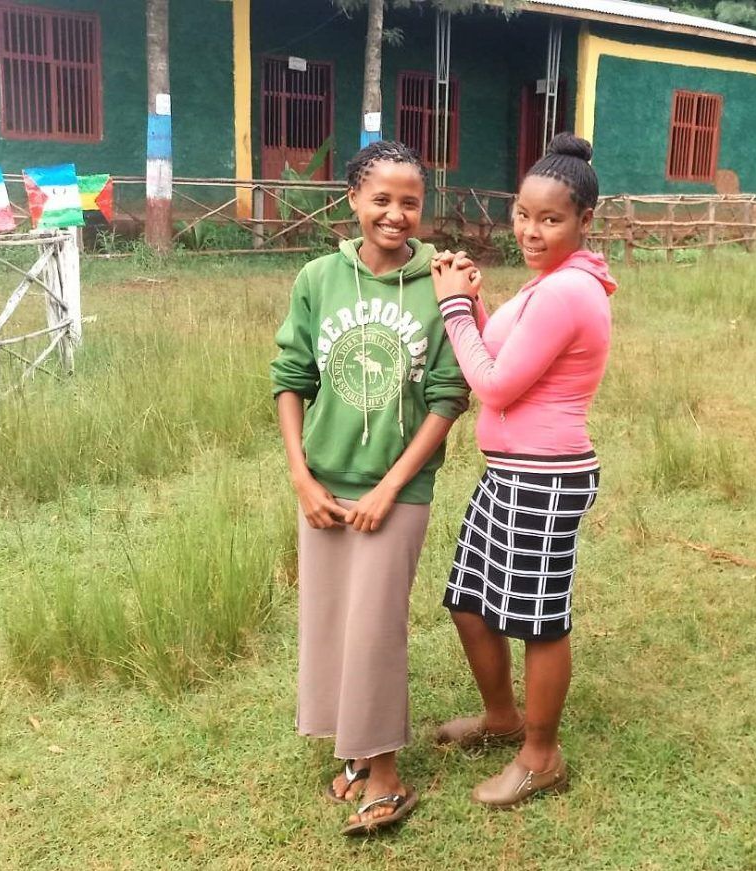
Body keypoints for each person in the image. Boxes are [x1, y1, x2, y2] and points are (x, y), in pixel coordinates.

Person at [271, 140, 468, 836]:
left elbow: (449, 395)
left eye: (410, 201)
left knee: (375, 625)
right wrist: (301, 473)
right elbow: (291, 378)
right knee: (329, 619)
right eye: (380, 198)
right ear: (352, 199)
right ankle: (354, 752)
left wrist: (390, 486)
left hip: (399, 488)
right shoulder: (318, 278)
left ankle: (386, 772)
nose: (395, 213)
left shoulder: (442, 280)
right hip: (324, 481)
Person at [430, 132, 616, 808]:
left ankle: (541, 755)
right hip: (510, 473)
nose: (531, 231)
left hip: (544, 477)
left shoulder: (569, 293)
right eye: (522, 214)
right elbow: (497, 346)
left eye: (550, 219)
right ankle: (501, 718)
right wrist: (475, 301)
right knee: (471, 604)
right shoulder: (548, 286)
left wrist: (453, 308)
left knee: (539, 620)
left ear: (585, 221)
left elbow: (497, 384)